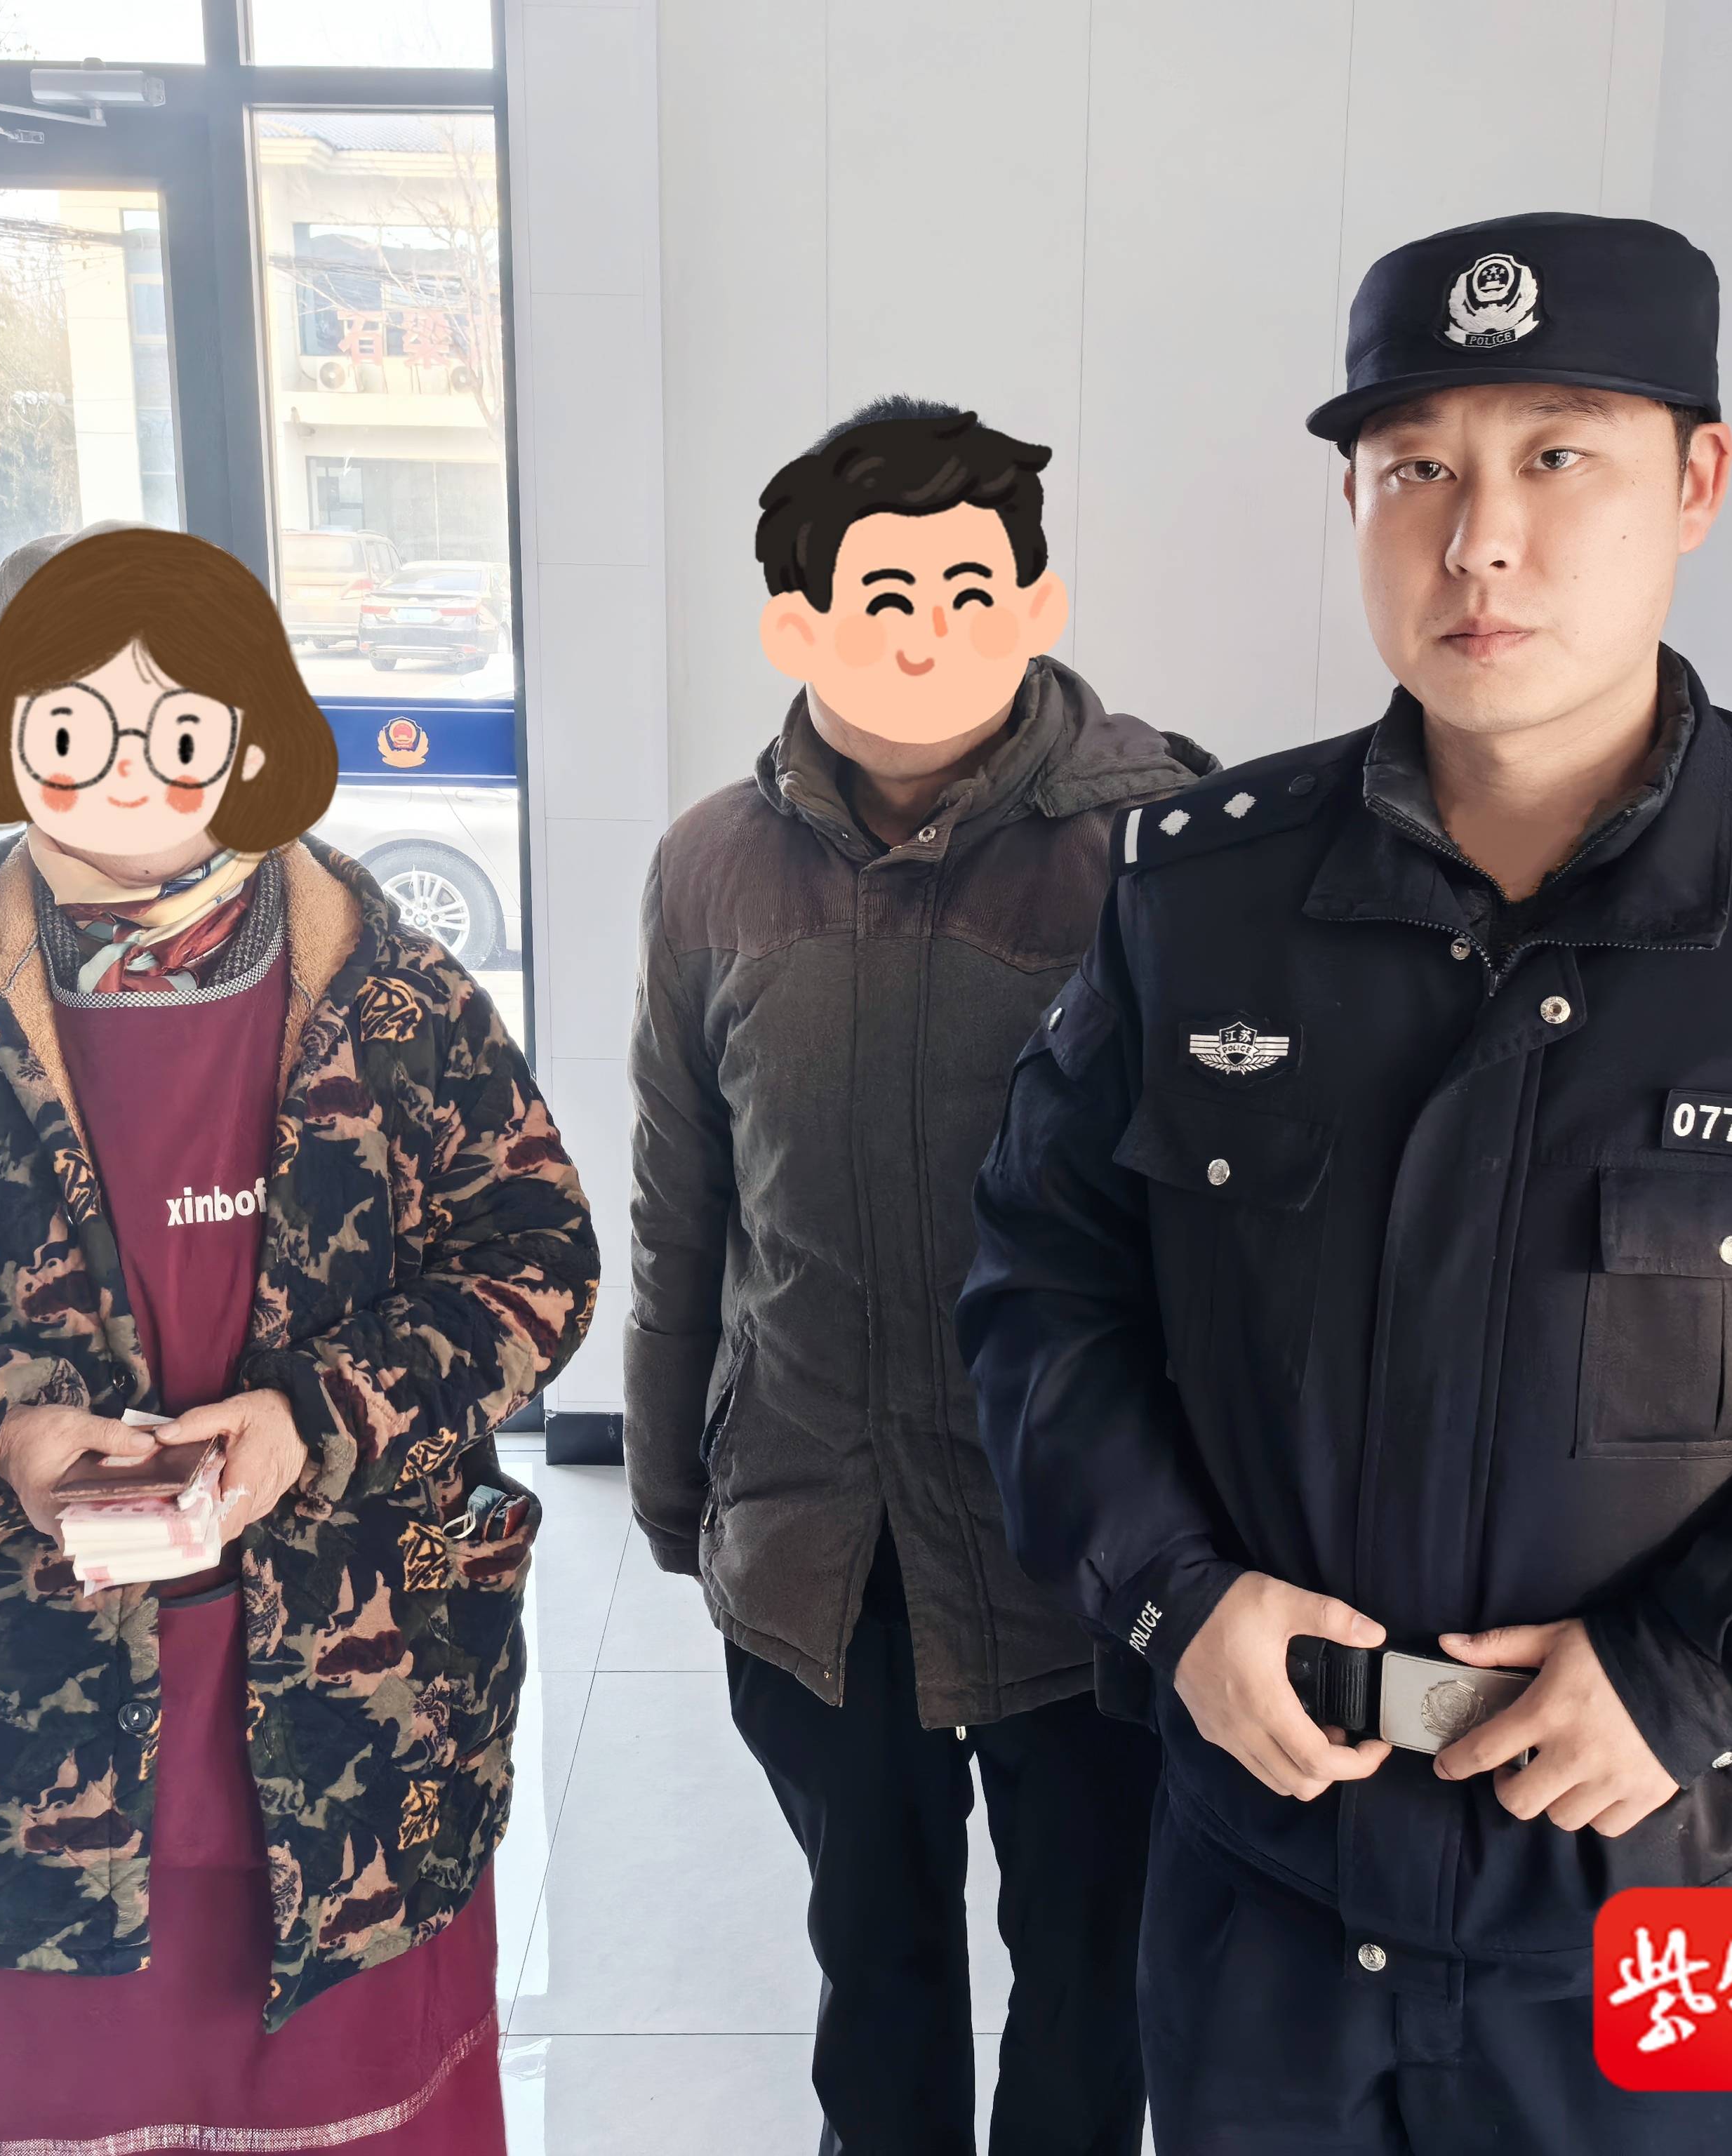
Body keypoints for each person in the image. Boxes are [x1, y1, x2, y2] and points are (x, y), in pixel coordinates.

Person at [957, 212, 1732, 2154]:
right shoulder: (1199, 899)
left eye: (1557, 456)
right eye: (1416, 471)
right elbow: (1040, 1285)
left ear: (1697, 483)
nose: (1479, 541)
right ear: (1354, 504)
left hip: (1677, 1882)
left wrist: (1700, 1679)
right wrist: (1170, 1596)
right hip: (1270, 1876)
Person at [0, 526, 598, 2154]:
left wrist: (317, 1416)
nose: (126, 767)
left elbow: (534, 1258)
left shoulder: (398, 1003)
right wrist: (3, 1428)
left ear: (246, 734)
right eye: (70, 719)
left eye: (174, 721)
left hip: (353, 1726)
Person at [625, 398, 1208, 2156]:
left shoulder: (1164, 846)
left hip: (1083, 1535)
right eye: (880, 597)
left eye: (966, 590)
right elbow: (683, 1198)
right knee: (872, 1964)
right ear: (797, 622)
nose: (923, 634)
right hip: (820, 1531)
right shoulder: (709, 867)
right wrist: (672, 1486)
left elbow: (1238, 1226)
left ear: (1031, 601)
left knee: (1091, 1969)